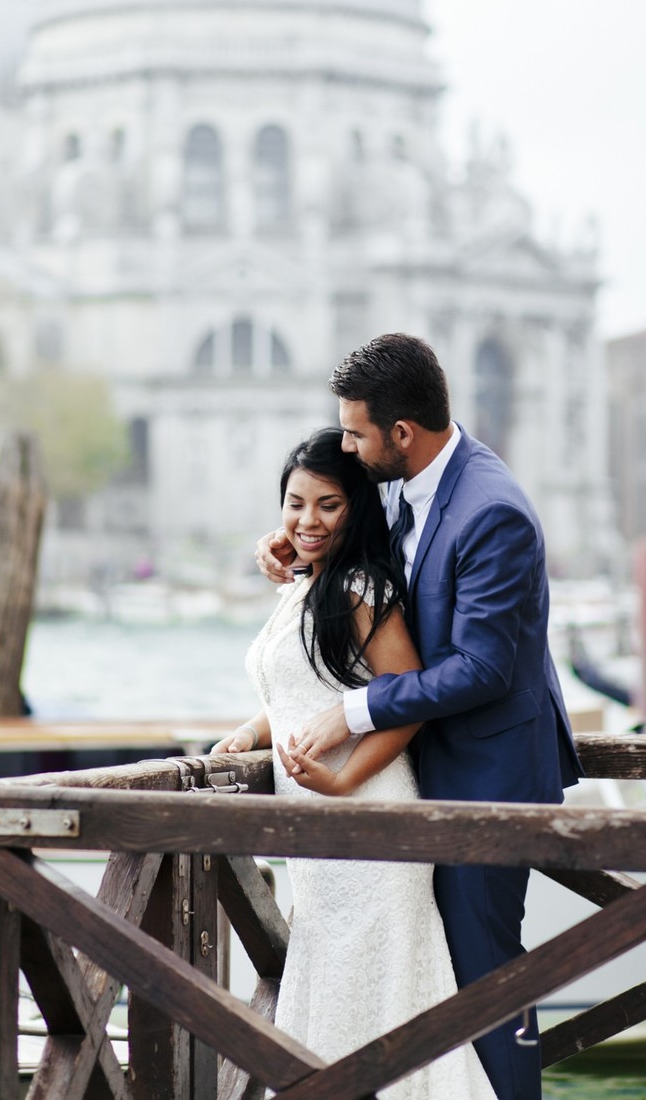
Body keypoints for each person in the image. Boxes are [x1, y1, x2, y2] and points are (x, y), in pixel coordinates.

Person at [256, 334, 582, 1100]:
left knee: (484, 982)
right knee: (426, 980)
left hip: (488, 781)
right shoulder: (400, 478)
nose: (346, 442)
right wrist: (289, 548)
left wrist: (350, 711)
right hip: (417, 778)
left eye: (357, 431)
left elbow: (483, 668)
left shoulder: (491, 510)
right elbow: (351, 552)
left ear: (401, 433)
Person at [218, 426, 496, 1099]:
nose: (306, 519)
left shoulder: (363, 585)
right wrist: (253, 732)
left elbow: (407, 699)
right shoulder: (306, 583)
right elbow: (311, 688)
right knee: (329, 998)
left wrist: (344, 778)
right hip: (314, 838)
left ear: (357, 509)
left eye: (327, 505)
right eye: (294, 502)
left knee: (383, 1002)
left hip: (369, 823)